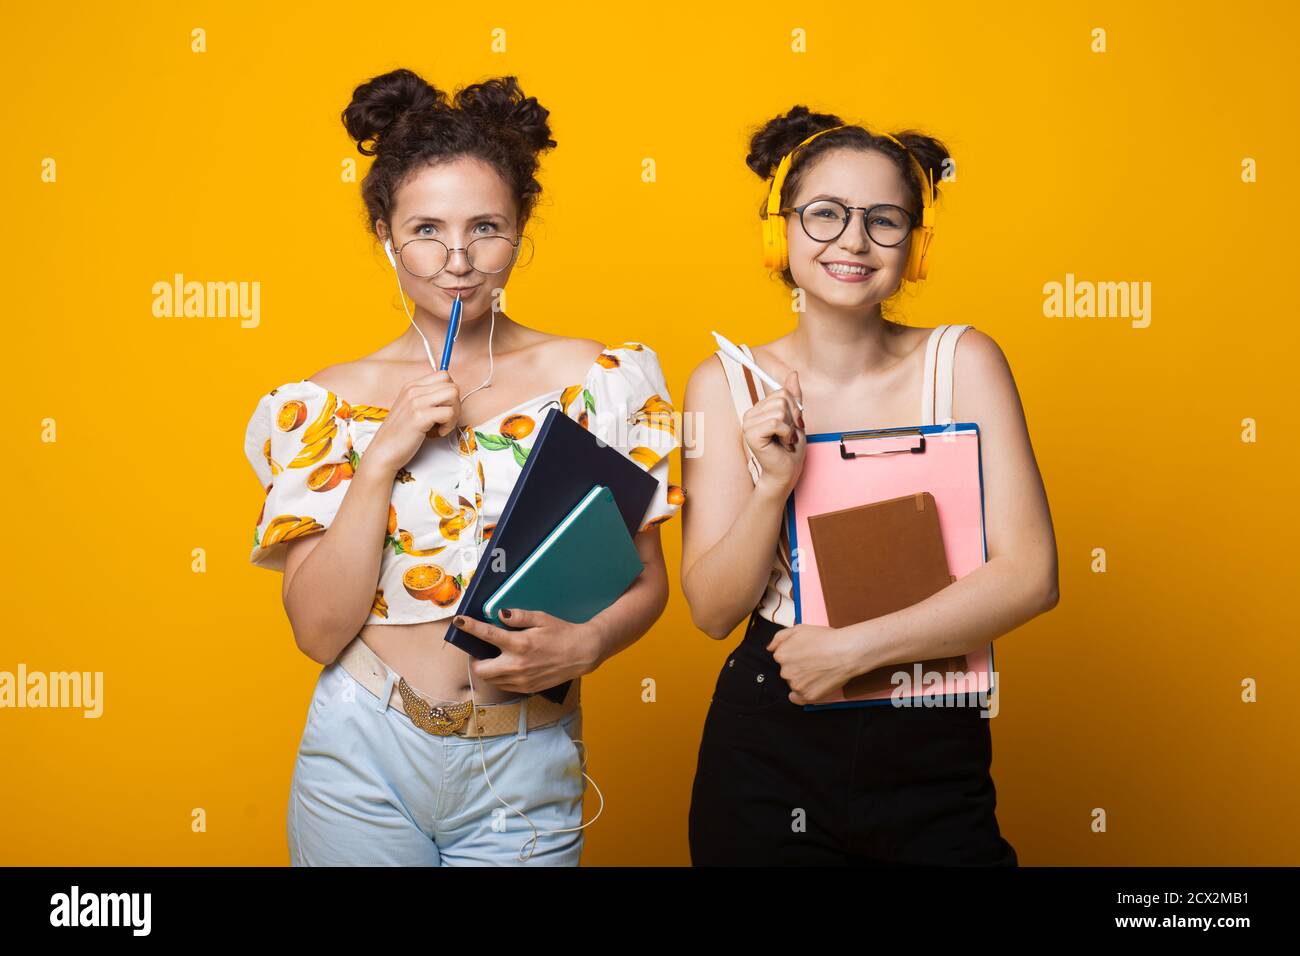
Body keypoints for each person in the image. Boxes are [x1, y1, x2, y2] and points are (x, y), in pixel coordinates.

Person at [242, 67, 684, 866]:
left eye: (486, 227)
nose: (457, 259)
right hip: (362, 752)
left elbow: (645, 579)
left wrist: (590, 647)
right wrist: (381, 457)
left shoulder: (602, 380)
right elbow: (316, 633)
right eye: (425, 230)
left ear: (522, 228)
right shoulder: (321, 407)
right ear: (385, 233)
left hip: (526, 758)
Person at [680, 106, 1058, 865]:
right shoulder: (724, 384)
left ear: (913, 248)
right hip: (770, 727)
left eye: (883, 220)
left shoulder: (965, 362)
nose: (853, 240)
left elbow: (1032, 576)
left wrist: (852, 650)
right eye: (824, 215)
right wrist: (772, 486)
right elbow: (713, 610)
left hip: (927, 719)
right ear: (777, 232)